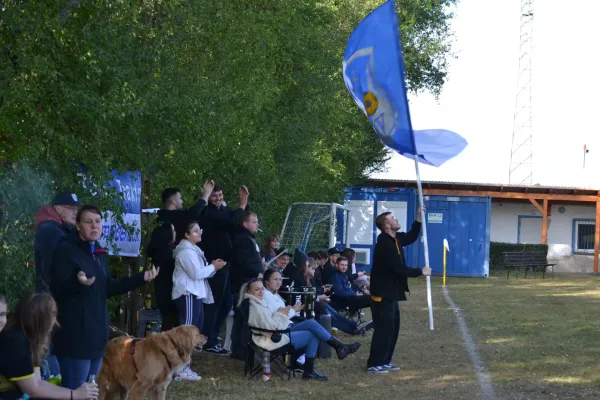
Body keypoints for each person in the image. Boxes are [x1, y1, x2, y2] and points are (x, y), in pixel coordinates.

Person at [50, 205, 159, 390]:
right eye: (88, 222)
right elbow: (56, 289)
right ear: (78, 225)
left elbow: (108, 288)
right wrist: (77, 282)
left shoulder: (99, 253)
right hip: (75, 337)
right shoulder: (65, 250)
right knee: (74, 392)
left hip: (97, 336)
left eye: (98, 221)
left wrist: (141, 278)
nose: (94, 226)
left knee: (92, 391)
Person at [242, 279, 361, 381]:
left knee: (311, 324)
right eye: (257, 289)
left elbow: (270, 322)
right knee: (312, 334)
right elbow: (271, 327)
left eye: (262, 289)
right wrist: (281, 314)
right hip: (271, 339)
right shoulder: (256, 307)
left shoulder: (259, 303)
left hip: (277, 332)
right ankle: (311, 370)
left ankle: (339, 348)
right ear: (249, 292)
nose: (261, 292)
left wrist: (282, 313)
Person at [366, 210, 432, 374]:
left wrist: (418, 219)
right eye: (393, 219)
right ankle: (374, 364)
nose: (396, 219)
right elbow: (399, 268)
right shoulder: (385, 244)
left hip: (391, 293)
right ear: (387, 225)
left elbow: (411, 237)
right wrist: (420, 272)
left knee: (393, 329)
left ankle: (385, 361)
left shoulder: (395, 239)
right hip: (382, 294)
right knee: (383, 329)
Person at [0, 293, 98, 400]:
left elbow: (37, 382)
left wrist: (74, 393)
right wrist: (75, 394)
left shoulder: (27, 340)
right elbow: (32, 389)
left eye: (2, 314)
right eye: (52, 315)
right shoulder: (15, 343)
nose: (55, 322)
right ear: (39, 319)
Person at [171, 221, 226, 381]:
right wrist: (212, 267)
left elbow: (201, 273)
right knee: (186, 334)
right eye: (195, 231)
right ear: (187, 235)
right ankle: (179, 369)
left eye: (200, 230)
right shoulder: (186, 252)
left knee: (194, 332)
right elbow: (196, 274)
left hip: (195, 294)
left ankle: (185, 367)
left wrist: (214, 267)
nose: (199, 233)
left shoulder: (195, 251)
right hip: (187, 294)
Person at [199, 184, 249, 355]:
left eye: (220, 195)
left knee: (227, 303)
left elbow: (238, 221)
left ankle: (213, 335)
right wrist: (241, 205)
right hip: (214, 264)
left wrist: (244, 206)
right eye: (215, 196)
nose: (218, 199)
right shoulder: (207, 212)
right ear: (208, 196)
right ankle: (207, 338)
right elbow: (231, 221)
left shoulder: (224, 210)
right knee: (214, 303)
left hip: (227, 264)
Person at [229, 211, 262, 359]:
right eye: (254, 222)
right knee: (244, 317)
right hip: (243, 284)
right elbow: (243, 262)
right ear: (245, 224)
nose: (257, 224)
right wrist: (258, 272)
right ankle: (241, 350)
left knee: (242, 317)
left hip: (246, 282)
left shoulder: (247, 239)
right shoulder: (243, 240)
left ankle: (240, 349)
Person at [34, 191, 81, 293]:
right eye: (71, 208)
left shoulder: (59, 228)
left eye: (77, 209)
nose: (75, 212)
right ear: (58, 208)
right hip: (51, 297)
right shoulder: (51, 230)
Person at [157, 180, 214, 244]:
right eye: (180, 198)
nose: (182, 201)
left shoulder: (171, 215)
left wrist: (205, 197)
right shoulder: (168, 217)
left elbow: (198, 214)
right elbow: (192, 213)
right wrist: (205, 196)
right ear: (173, 202)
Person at [147, 222, 178, 331]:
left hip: (163, 294)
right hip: (169, 295)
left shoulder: (159, 251)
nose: (175, 233)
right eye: (173, 231)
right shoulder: (167, 253)